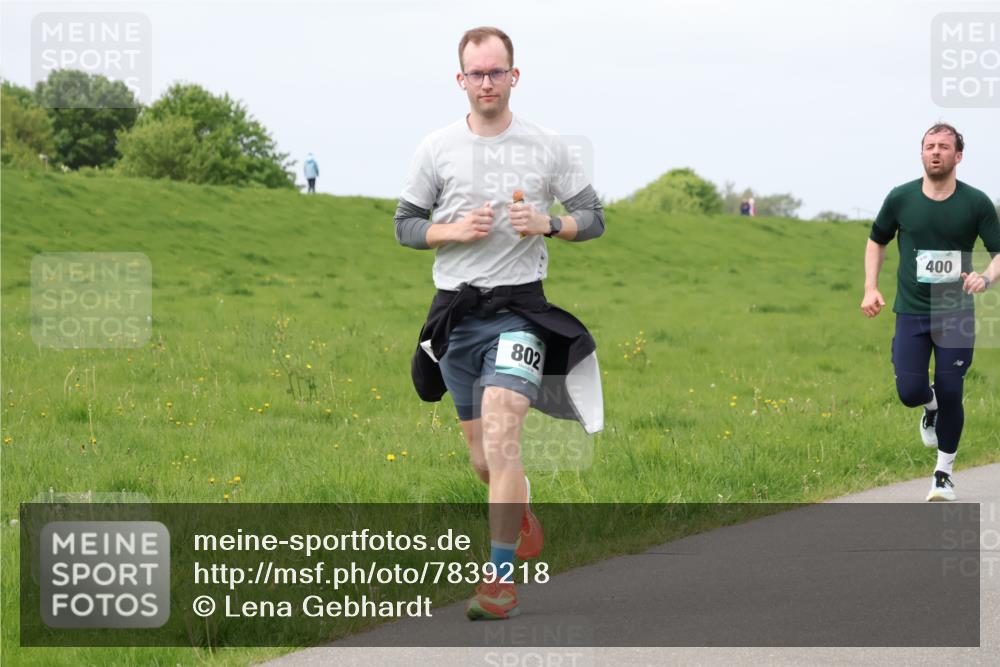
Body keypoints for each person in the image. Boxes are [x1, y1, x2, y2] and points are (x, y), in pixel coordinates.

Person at [394, 26, 606, 620]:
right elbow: (405, 225)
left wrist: (549, 224)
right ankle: (523, 517)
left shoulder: (547, 146)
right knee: (484, 461)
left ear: (516, 75)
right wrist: (451, 231)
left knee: (504, 433)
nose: (487, 82)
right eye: (476, 73)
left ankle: (499, 581)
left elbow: (593, 217)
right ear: (460, 80)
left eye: (497, 71)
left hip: (519, 312)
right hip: (455, 317)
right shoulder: (435, 148)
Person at [861, 122, 1000, 501]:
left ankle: (943, 474)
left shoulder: (976, 203)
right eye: (929, 146)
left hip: (955, 311)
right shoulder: (901, 198)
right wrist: (871, 287)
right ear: (921, 153)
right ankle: (929, 407)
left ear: (958, 156)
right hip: (911, 311)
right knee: (909, 390)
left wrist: (985, 279)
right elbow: (877, 241)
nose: (935, 151)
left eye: (943, 146)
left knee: (953, 390)